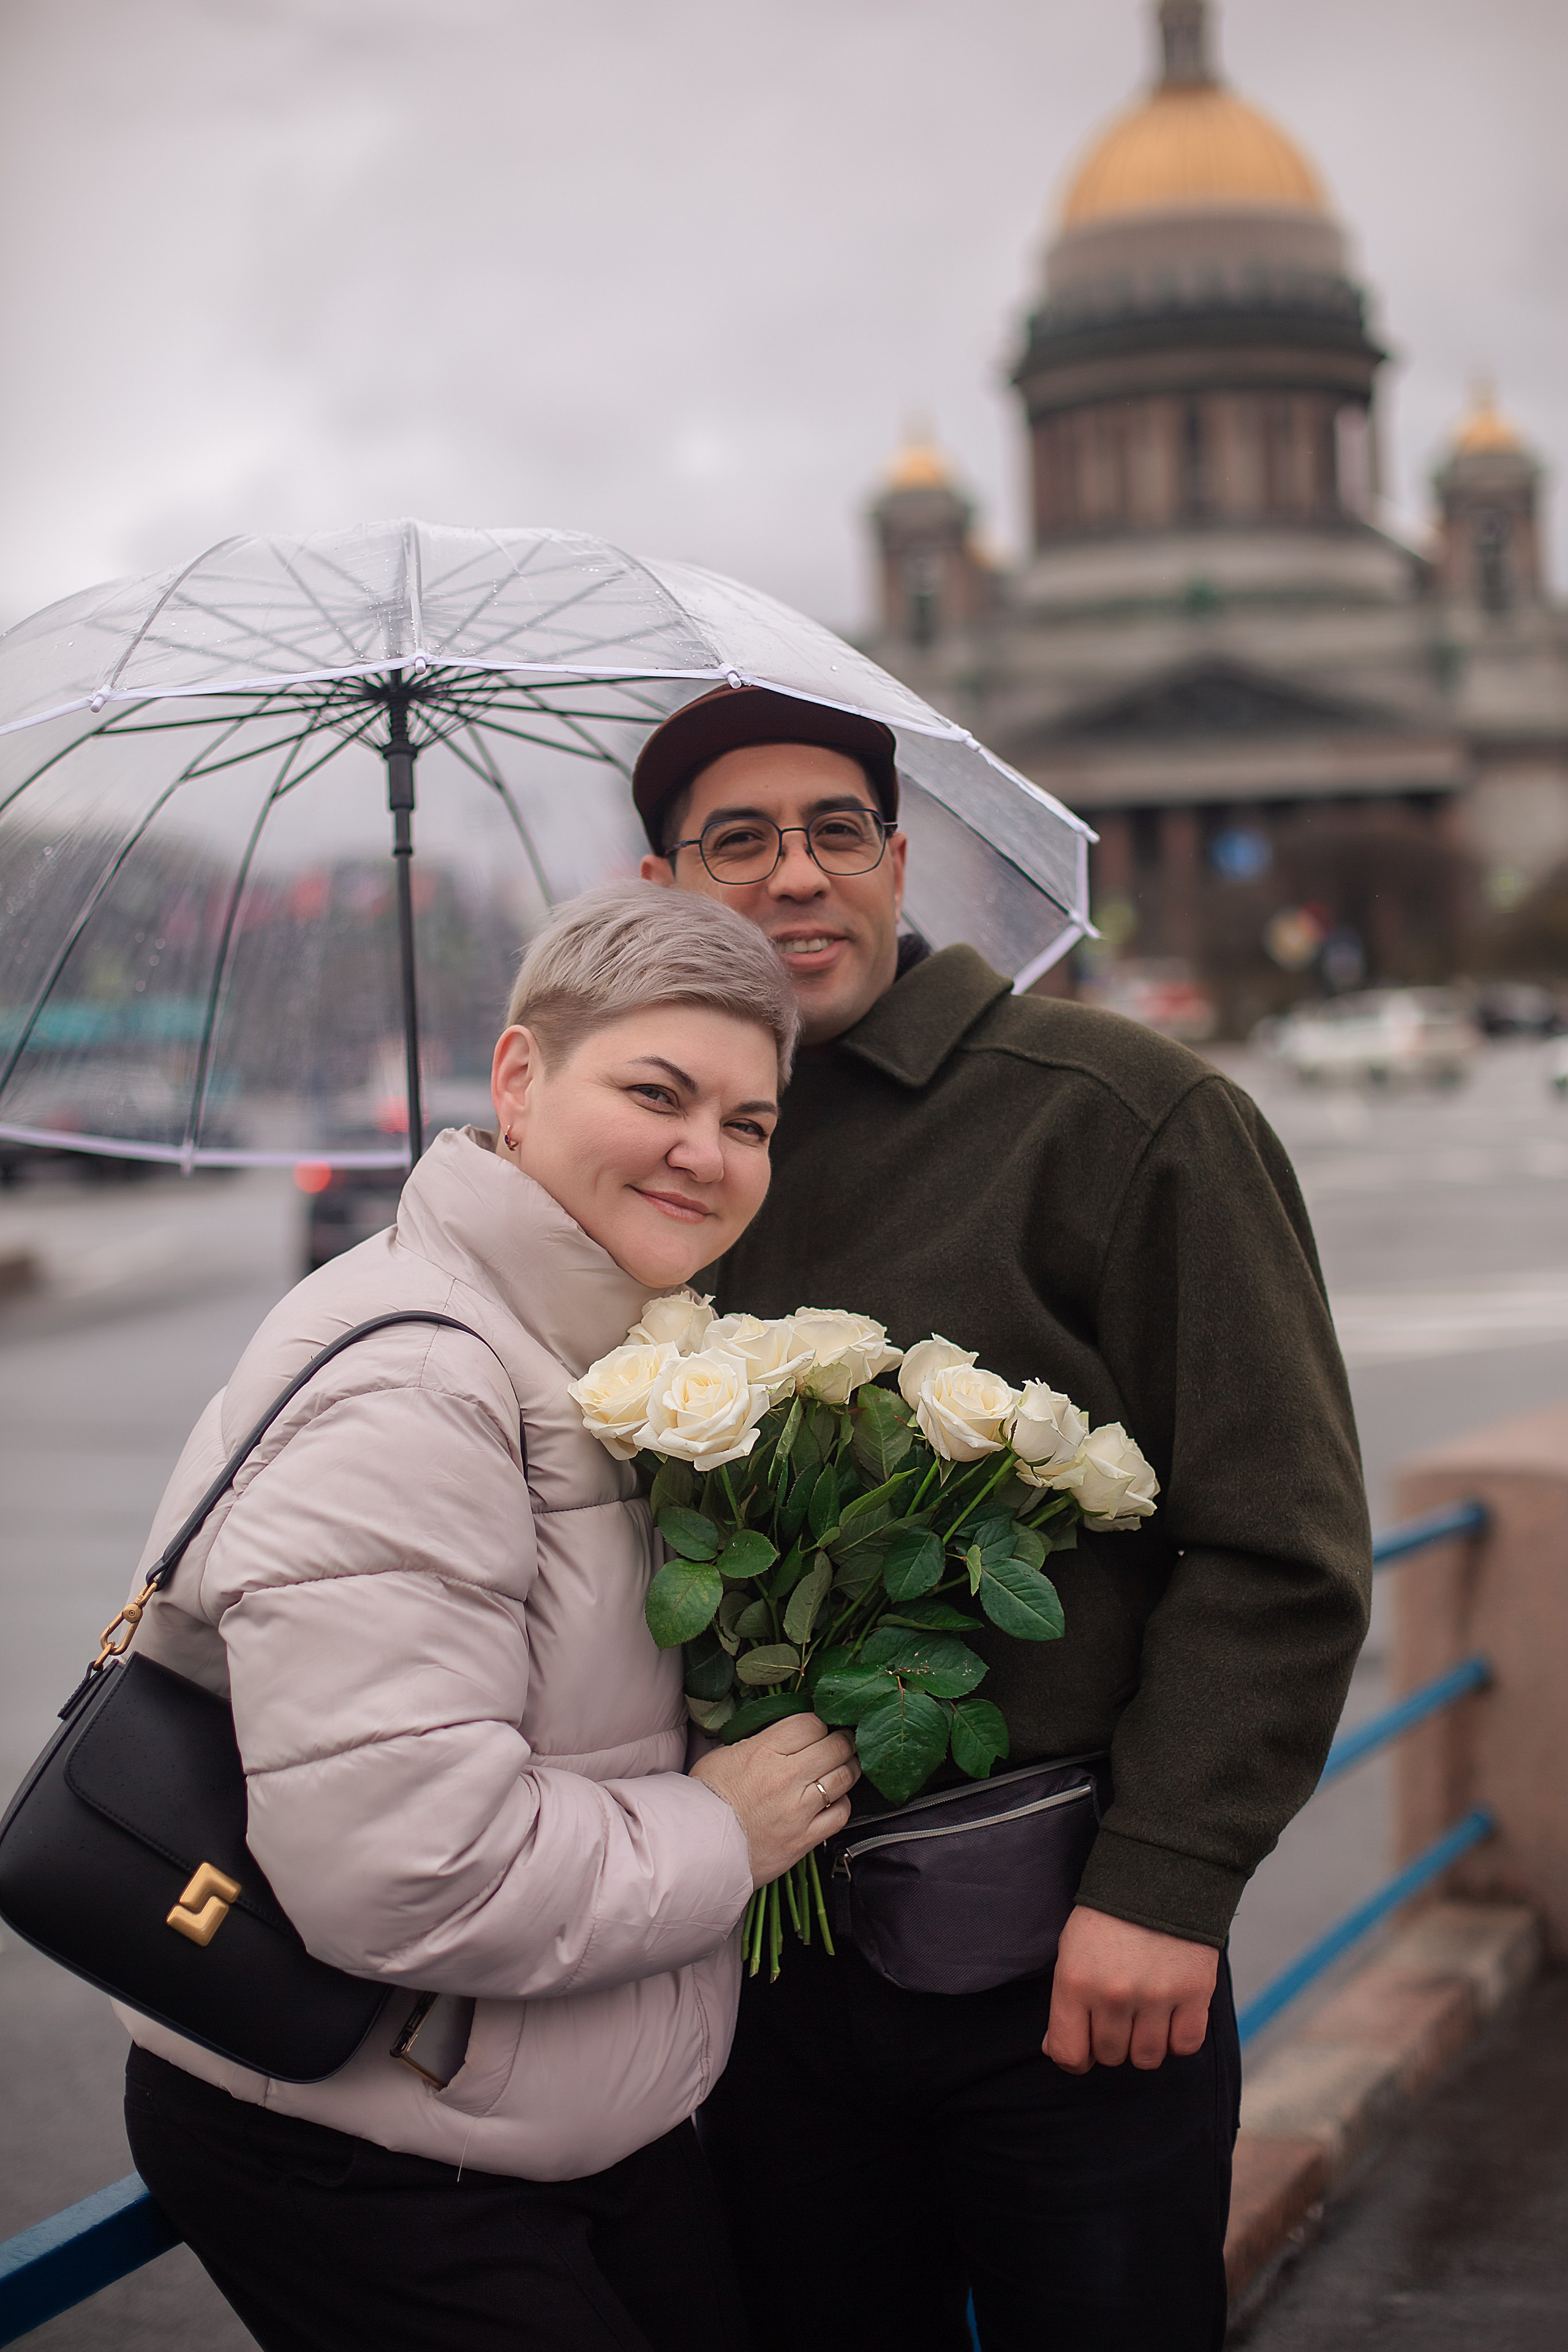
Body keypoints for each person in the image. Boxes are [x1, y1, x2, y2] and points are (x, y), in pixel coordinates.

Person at [637, 685, 1373, 2352]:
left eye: (836, 833)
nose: (796, 876)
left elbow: (1280, 1544)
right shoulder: (646, 1166)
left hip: (1062, 1962)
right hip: (738, 1982)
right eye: (736, 842)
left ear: (902, 864)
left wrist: (1167, 1886)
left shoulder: (1121, 1115)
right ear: (666, 887)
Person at [121, 880, 861, 2352]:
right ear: (519, 1080)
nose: (702, 1154)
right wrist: (724, 1833)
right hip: (372, 2136)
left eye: (749, 1122)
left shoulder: (571, 1351)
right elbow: (402, 1863)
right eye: (655, 1092)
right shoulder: (417, 1387)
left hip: (540, 2101)